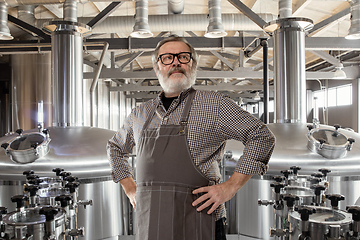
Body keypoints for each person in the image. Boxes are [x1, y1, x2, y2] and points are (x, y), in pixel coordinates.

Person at [107, 36, 276, 240]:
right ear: (157, 67)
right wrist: (129, 187)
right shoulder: (140, 113)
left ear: (193, 65)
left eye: (183, 57)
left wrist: (230, 187)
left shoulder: (214, 105)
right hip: (151, 223)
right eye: (167, 57)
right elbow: (115, 147)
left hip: (200, 221)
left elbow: (261, 135)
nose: (176, 62)